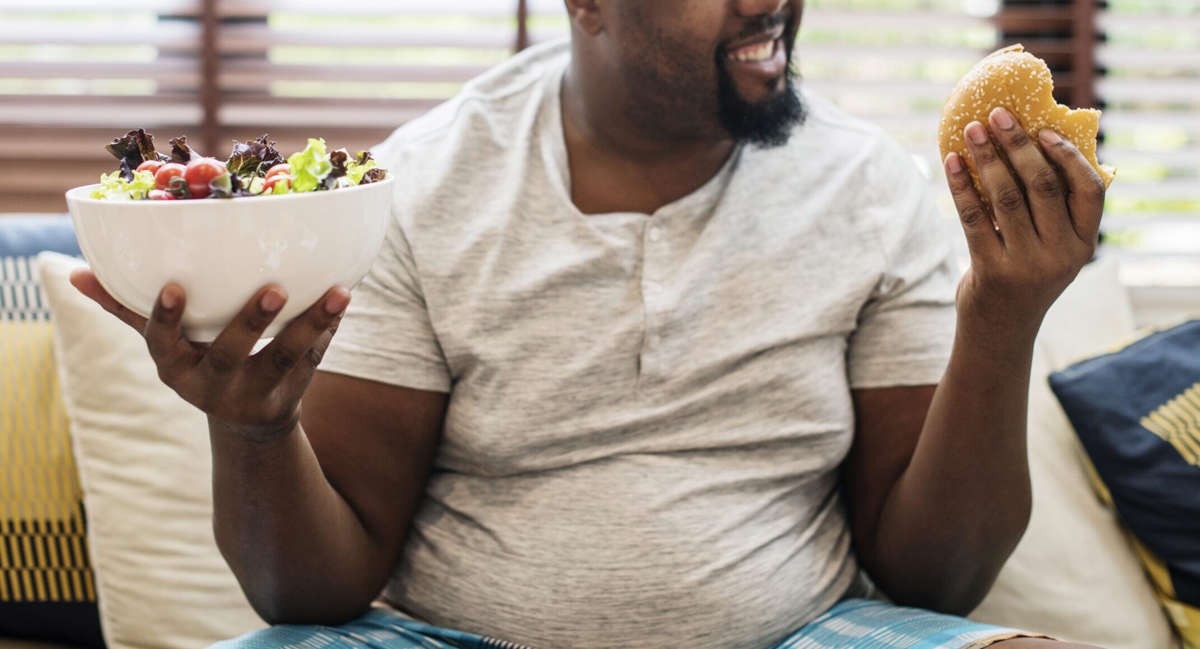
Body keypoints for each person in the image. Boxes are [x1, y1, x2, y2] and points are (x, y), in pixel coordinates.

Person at [72, 1, 1112, 648]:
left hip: (807, 633)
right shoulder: (425, 184)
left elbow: (938, 580)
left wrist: (1001, 317)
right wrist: (252, 430)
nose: (769, 3)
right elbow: (312, 594)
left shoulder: (874, 190)